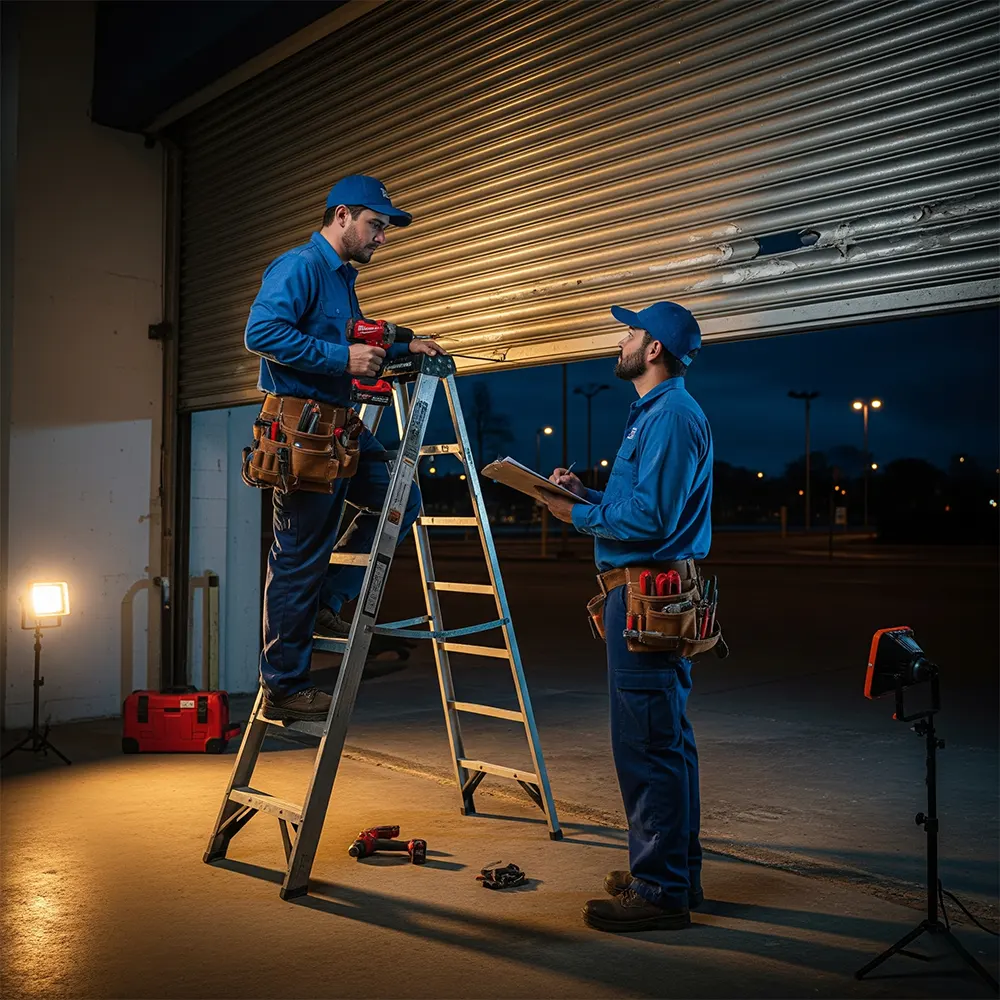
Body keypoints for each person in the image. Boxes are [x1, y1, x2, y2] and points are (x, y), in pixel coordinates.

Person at [538, 301, 713, 932]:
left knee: (646, 743)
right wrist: (583, 494)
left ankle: (661, 889)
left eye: (632, 332)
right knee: (665, 739)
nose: (623, 338)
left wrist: (576, 517)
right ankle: (673, 873)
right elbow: (636, 502)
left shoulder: (670, 416)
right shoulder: (651, 415)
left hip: (647, 596)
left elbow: (654, 521)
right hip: (641, 593)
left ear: (655, 350)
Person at [244, 174, 444, 721]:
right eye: (375, 225)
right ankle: (285, 686)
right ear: (341, 217)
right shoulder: (300, 267)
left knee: (401, 500)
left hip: (338, 428)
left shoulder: (341, 278)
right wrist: (342, 361)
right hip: (302, 431)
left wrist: (404, 340)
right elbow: (261, 334)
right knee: (298, 556)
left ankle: (328, 602)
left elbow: (354, 328)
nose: (382, 237)